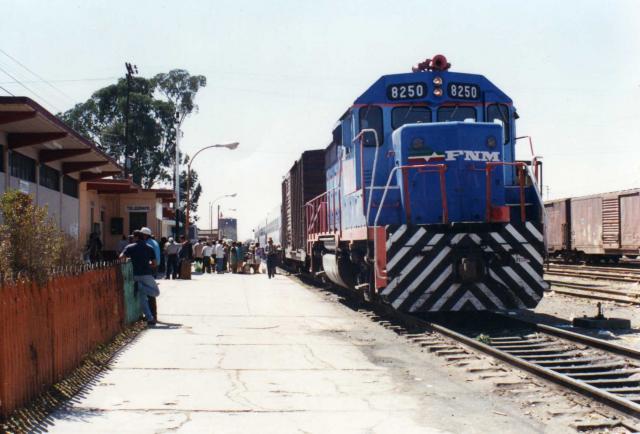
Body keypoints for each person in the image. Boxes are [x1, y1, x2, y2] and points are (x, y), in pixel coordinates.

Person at [120, 230, 160, 326]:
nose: (132, 238)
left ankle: (150, 318)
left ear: (136, 237)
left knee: (142, 298)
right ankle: (140, 287)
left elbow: (121, 257)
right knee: (156, 292)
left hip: (135, 275)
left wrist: (127, 261)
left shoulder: (130, 247)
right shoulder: (149, 248)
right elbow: (154, 263)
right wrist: (147, 265)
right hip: (146, 274)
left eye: (133, 237)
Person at [140, 227, 160, 320]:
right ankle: (151, 314)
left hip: (150, 268)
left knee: (150, 292)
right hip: (154, 267)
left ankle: (152, 315)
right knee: (149, 291)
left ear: (144, 235)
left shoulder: (148, 243)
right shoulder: (154, 242)